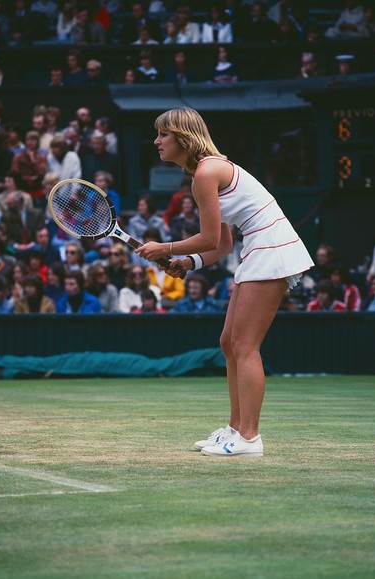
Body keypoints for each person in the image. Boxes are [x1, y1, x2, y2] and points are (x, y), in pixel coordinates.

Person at [135, 107, 313, 457]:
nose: (156, 141)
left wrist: (164, 248)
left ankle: (249, 437)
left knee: (245, 346)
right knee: (229, 342)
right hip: (258, 249)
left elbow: (209, 236)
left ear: (183, 137)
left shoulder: (206, 172)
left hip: (271, 249)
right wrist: (188, 262)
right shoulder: (206, 171)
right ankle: (235, 428)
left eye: (163, 134)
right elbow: (224, 243)